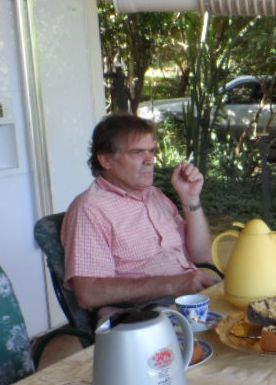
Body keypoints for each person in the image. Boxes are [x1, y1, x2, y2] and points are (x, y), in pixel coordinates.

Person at [62, 113, 220, 312]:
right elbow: (88, 293)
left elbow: (202, 256)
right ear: (106, 161)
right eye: (137, 152)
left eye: (151, 151)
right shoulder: (90, 210)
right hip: (146, 313)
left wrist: (191, 199)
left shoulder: (155, 196)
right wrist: (172, 284)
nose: (150, 160)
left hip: (190, 298)